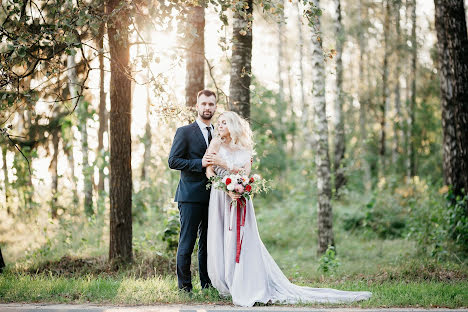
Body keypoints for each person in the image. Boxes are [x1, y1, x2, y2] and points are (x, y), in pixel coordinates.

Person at [204, 111, 372, 307]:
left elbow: (245, 173)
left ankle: (243, 280)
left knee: (242, 239)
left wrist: (230, 176)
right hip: (220, 196)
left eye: (224, 122)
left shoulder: (245, 148)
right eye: (219, 122)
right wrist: (223, 186)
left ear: (233, 125)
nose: (220, 125)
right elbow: (208, 170)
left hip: (240, 197)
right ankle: (225, 284)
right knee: (221, 236)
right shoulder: (215, 143)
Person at [168, 89, 218, 292]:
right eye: (204, 104)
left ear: (215, 107)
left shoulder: (218, 132)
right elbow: (173, 161)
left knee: (208, 243)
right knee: (187, 242)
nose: (207, 107)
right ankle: (184, 288)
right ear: (197, 106)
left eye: (211, 104)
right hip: (189, 196)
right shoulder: (184, 131)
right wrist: (200, 163)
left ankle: (207, 284)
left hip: (214, 197)